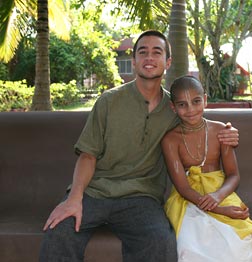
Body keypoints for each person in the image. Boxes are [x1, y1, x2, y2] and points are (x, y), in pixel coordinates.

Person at [39, 30, 239, 262]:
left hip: (141, 198)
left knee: (160, 242)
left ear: (168, 61)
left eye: (157, 52)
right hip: (94, 192)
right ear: (133, 61)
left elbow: (200, 121)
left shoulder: (175, 109)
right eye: (142, 52)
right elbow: (87, 155)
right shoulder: (108, 101)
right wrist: (74, 198)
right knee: (58, 233)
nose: (149, 57)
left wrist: (228, 132)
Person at [162, 75, 252, 262]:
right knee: (188, 245)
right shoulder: (170, 140)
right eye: (182, 104)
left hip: (220, 191)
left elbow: (233, 175)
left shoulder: (220, 131)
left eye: (196, 101)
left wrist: (217, 197)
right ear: (173, 107)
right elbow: (183, 188)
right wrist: (219, 210)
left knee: (244, 241)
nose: (191, 109)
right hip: (188, 199)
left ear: (205, 100)